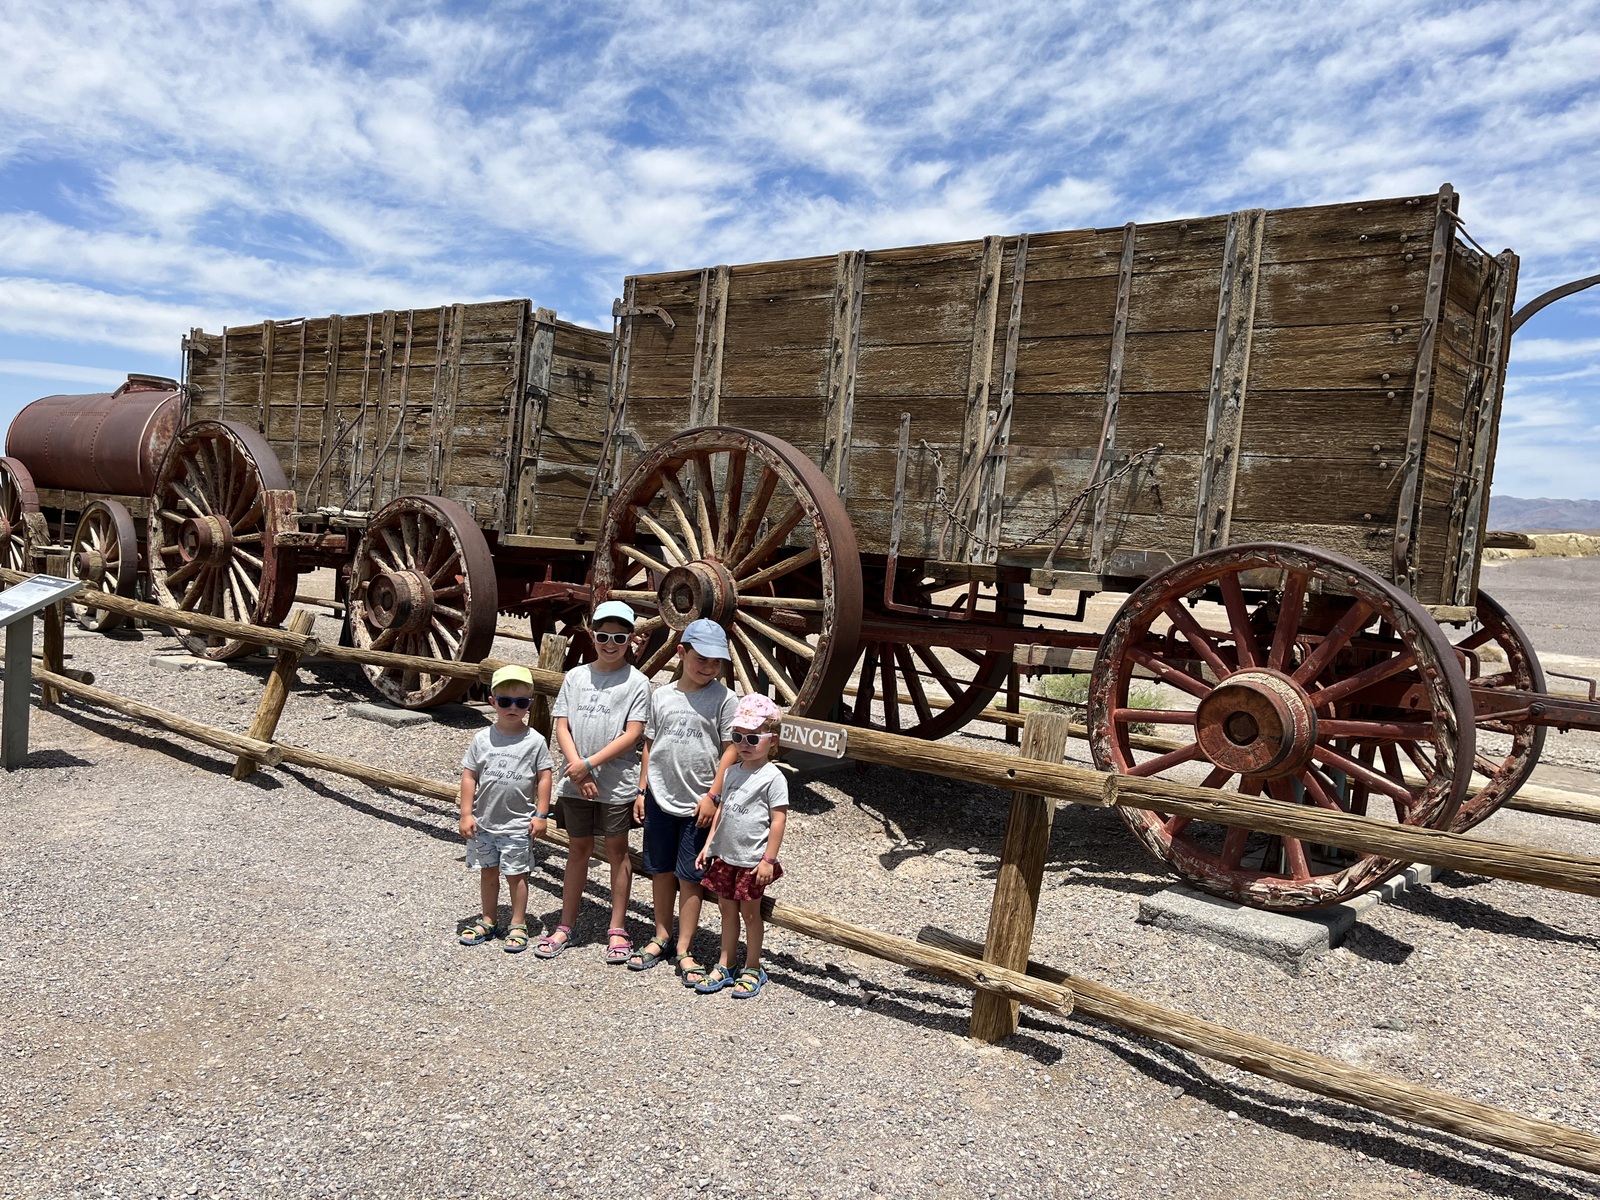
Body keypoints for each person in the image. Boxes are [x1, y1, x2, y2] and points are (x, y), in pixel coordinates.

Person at [537, 599, 651, 963]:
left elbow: (633, 734)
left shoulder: (637, 682)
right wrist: (577, 767)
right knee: (578, 850)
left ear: (631, 639)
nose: (611, 643)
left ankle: (617, 927)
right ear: (592, 634)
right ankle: (565, 923)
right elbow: (561, 725)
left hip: (616, 784)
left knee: (617, 853)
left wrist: (587, 765)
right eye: (603, 635)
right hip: (576, 782)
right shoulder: (576, 676)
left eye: (619, 637)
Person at [630, 618, 739, 985]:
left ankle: (685, 948)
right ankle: (661, 935)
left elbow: (730, 750)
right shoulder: (660, 695)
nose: (708, 668)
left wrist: (713, 795)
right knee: (660, 871)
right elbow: (649, 745)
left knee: (689, 877)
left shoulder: (725, 699)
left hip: (698, 803)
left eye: (715, 662)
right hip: (660, 796)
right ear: (682, 652)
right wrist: (643, 789)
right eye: (701, 659)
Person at [694, 693, 788, 999]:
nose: (744, 743)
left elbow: (778, 821)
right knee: (726, 912)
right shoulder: (732, 772)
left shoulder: (773, 778)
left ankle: (752, 966)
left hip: (751, 860)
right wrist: (709, 845)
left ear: (771, 740)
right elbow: (721, 810)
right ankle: (726, 962)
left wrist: (768, 860)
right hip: (726, 856)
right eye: (738, 737)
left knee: (750, 915)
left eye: (753, 737)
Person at [457, 664, 554, 954]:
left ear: (530, 704)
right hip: (484, 823)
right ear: (492, 702)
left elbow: (545, 777)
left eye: (521, 702)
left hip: (517, 824)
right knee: (488, 872)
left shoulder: (535, 741)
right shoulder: (482, 739)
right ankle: (488, 919)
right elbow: (469, 776)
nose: (513, 708)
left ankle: (518, 922)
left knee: (517, 875)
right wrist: (465, 813)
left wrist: (541, 814)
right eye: (505, 701)